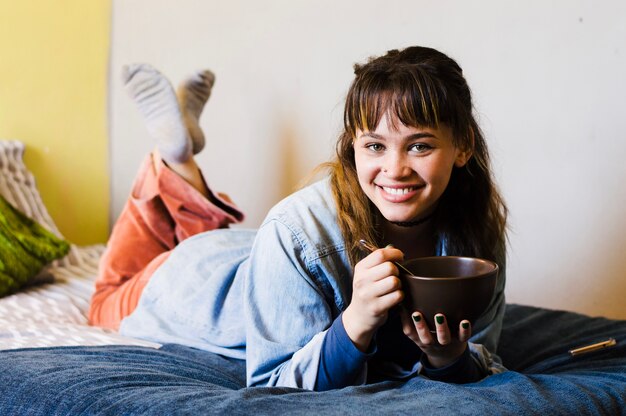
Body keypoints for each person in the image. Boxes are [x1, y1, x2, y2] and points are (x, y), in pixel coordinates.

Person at [89, 45, 508, 391]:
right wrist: (355, 323)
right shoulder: (298, 229)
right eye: (375, 147)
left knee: (215, 233)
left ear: (463, 146)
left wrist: (448, 357)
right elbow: (274, 386)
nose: (395, 169)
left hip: (251, 251)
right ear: (352, 148)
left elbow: (478, 361)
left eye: (419, 146)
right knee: (106, 296)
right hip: (192, 278)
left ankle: (179, 157)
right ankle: (172, 158)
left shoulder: (475, 235)